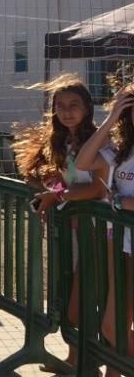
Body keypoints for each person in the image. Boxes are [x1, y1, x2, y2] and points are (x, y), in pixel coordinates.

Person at [16, 77, 114, 371]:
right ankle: (76, 358)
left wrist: (54, 196)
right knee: (72, 295)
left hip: (96, 232)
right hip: (70, 230)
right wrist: (46, 185)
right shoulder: (63, 142)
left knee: (84, 302)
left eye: (74, 105)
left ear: (88, 107)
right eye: (60, 106)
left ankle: (94, 361)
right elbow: (65, 181)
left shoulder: (98, 140)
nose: (67, 111)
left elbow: (98, 190)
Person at [76, 85, 134, 377]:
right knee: (111, 323)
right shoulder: (121, 148)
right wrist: (112, 119)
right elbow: (80, 164)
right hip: (116, 240)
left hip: (119, 237)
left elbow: (109, 194)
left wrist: (124, 202)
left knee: (113, 325)